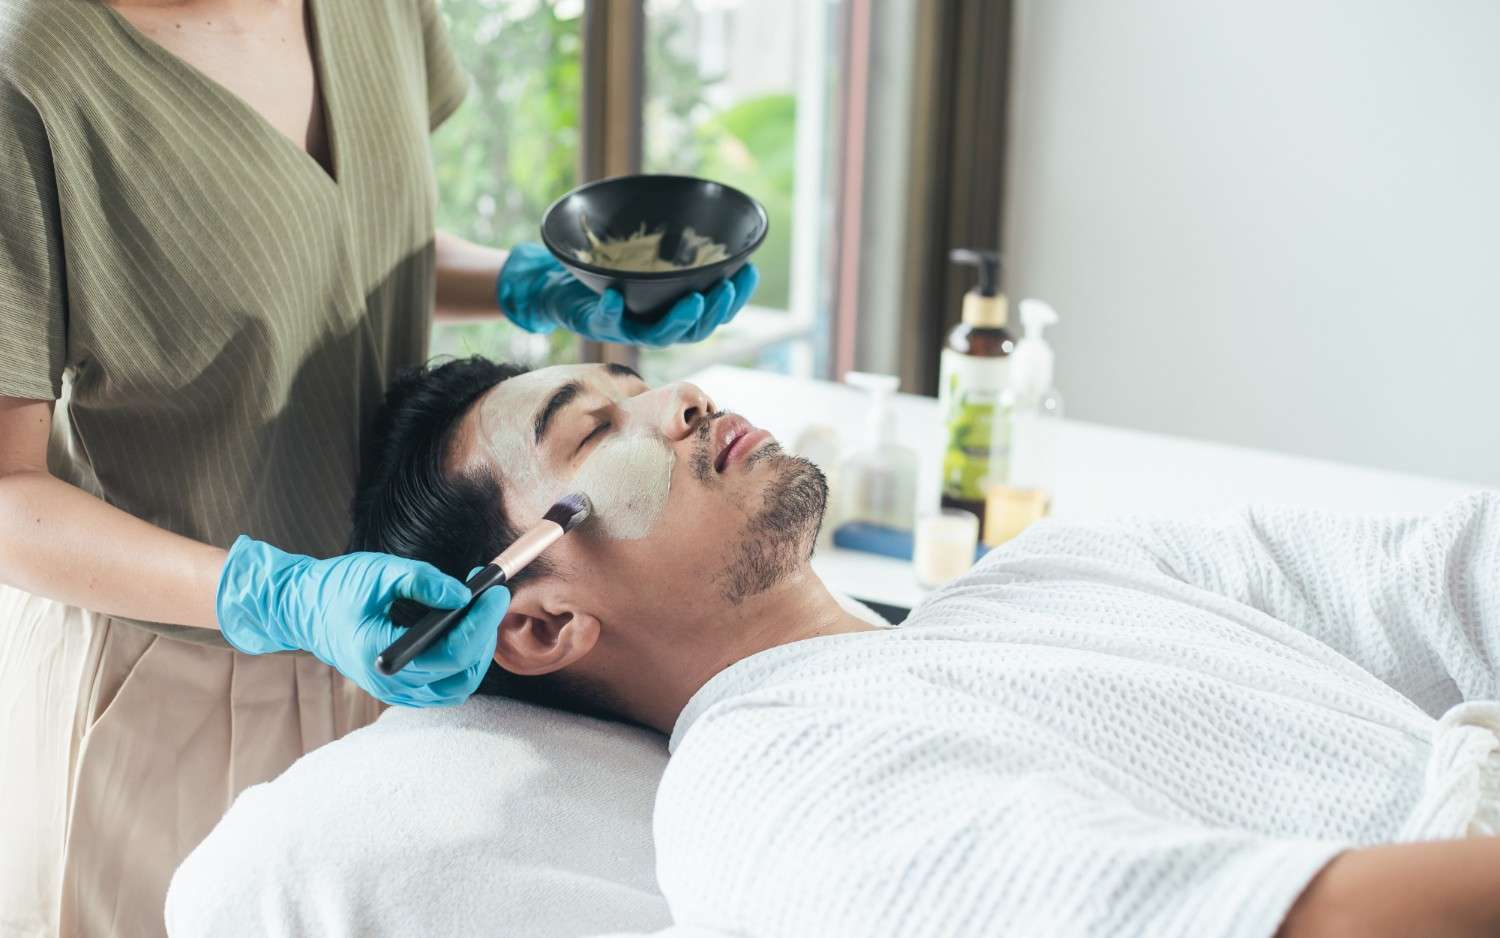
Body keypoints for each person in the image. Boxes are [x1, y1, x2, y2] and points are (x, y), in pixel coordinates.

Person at [0, 0, 758, 935]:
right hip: (165, 682)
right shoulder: (28, 77)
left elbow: (328, 244)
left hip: (397, 657)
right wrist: (275, 594)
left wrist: (532, 287)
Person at [344, 355, 1500, 938]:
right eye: (598, 427)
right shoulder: (770, 795)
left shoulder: (1055, 570)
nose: (682, 397)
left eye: (639, 383)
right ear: (542, 621)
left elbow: (1445, 575)